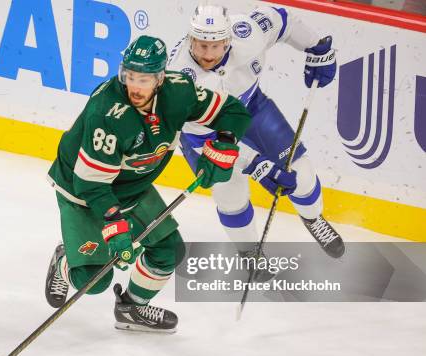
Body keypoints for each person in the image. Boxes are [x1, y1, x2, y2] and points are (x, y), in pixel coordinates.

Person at [45, 35, 251, 333]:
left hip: (133, 187)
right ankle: (65, 262)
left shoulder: (178, 92)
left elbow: (232, 111)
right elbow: (92, 184)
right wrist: (116, 226)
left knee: (168, 251)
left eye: (143, 79)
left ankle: (132, 307)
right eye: (130, 77)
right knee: (92, 281)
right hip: (82, 192)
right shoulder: (107, 112)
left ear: (160, 78)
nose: (135, 87)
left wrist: (226, 144)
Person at [167, 3, 345, 281]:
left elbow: (282, 20)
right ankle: (250, 251)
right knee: (231, 196)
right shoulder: (178, 81)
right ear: (191, 39)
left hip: (252, 109)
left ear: (228, 39)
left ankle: (313, 217)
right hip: (205, 135)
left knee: (303, 174)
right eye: (201, 46)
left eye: (216, 46)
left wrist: (317, 47)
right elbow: (207, 141)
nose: (208, 54)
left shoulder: (246, 32)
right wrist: (258, 166)